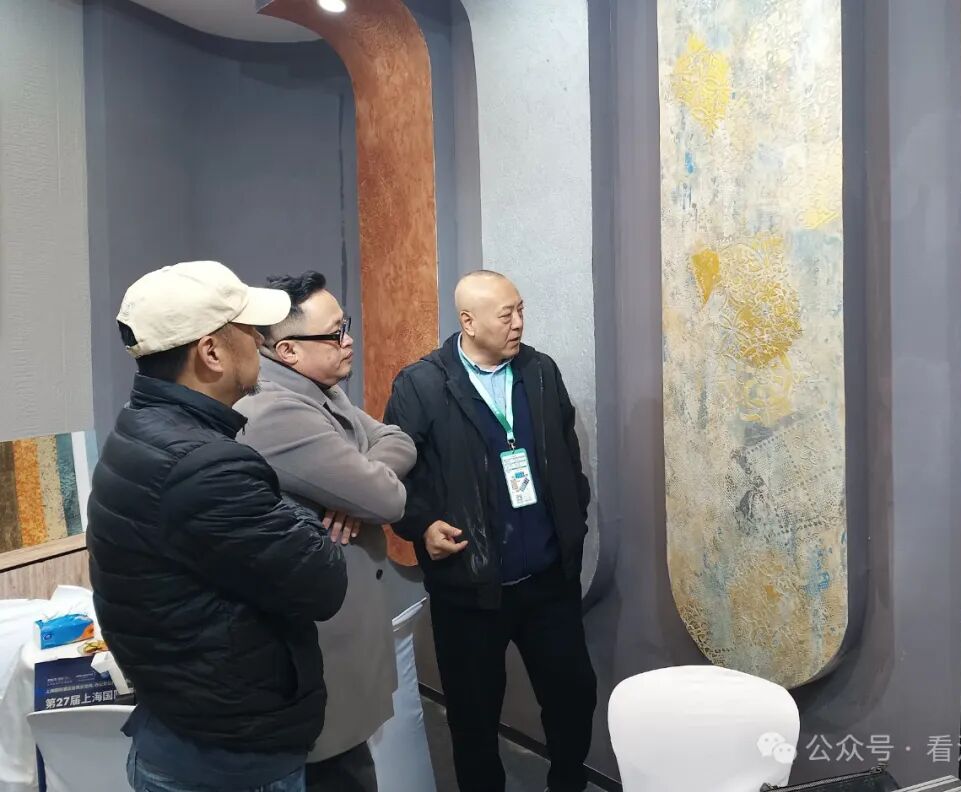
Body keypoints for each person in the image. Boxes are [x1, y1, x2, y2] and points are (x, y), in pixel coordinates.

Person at [87, 261, 348, 792]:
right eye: (248, 330)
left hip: (180, 727)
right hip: (228, 759)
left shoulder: (140, 427)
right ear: (210, 352)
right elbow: (324, 582)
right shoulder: (207, 467)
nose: (260, 342)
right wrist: (303, 509)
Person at [384, 270, 597, 792]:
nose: (519, 323)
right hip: (469, 588)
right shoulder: (421, 385)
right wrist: (420, 526)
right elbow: (396, 474)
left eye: (521, 310)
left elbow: (567, 456)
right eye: (507, 315)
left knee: (573, 698)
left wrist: (574, 516)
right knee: (473, 721)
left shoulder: (540, 372)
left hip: (549, 580)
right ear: (469, 322)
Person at [235, 271, 416, 792]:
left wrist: (357, 487)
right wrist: (365, 490)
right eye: (335, 333)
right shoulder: (273, 410)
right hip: (319, 643)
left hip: (347, 629)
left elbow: (398, 438)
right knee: (337, 773)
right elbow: (388, 499)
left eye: (346, 325)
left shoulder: (324, 392)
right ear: (287, 350)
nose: (348, 340)